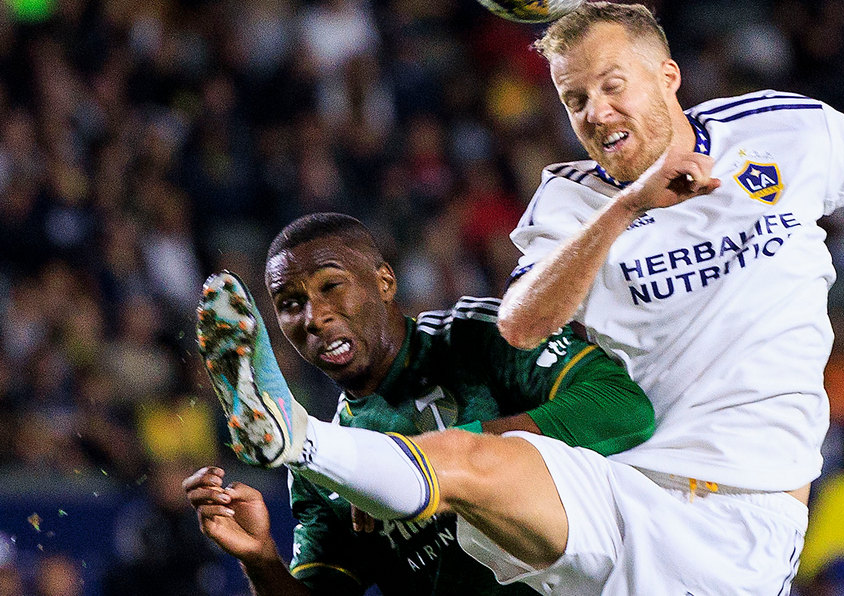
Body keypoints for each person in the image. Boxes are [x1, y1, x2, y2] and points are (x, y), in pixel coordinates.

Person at [198, 3, 844, 595]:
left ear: (668, 76)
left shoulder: (788, 133)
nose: (594, 112)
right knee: (470, 462)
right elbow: (523, 322)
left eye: (611, 85)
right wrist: (631, 204)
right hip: (622, 489)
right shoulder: (569, 202)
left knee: (469, 468)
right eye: (573, 99)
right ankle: (295, 436)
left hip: (741, 525)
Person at [187, 213, 654, 596]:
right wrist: (260, 559)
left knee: (457, 459)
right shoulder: (318, 475)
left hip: (589, 579)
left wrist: (425, 462)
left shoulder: (475, 337)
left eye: (331, 286)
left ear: (384, 281)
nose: (314, 317)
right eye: (290, 304)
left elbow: (623, 408)